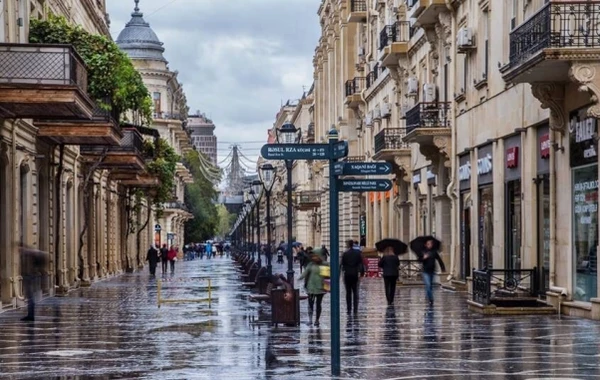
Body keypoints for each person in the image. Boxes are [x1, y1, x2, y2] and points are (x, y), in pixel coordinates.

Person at [298, 251, 328, 327]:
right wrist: (299, 278)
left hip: (320, 288)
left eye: (316, 256)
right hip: (310, 288)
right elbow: (305, 273)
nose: (314, 258)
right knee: (310, 304)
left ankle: (317, 320)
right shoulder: (310, 265)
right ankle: (310, 319)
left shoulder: (324, 264)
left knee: (318, 304)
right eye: (313, 256)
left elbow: (327, 276)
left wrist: (327, 287)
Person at [20, 246, 48, 322]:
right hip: (32, 277)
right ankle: (30, 315)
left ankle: (30, 315)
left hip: (31, 277)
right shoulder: (32, 253)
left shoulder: (30, 254)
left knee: (31, 298)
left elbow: (33, 268)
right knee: (31, 297)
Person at [418, 239, 446, 306]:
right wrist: (423, 258)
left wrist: (443, 268)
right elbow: (419, 260)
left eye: (430, 244)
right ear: (426, 245)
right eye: (428, 244)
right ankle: (431, 299)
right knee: (428, 285)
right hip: (425, 271)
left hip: (432, 271)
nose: (429, 245)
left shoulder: (434, 252)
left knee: (430, 286)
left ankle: (428, 296)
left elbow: (439, 260)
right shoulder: (423, 252)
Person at [341, 239, 365, 315]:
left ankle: (349, 309)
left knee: (348, 292)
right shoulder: (357, 253)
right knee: (355, 292)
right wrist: (361, 273)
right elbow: (361, 264)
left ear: (348, 245)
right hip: (355, 274)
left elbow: (342, 265)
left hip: (347, 274)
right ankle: (355, 309)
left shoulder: (345, 254)